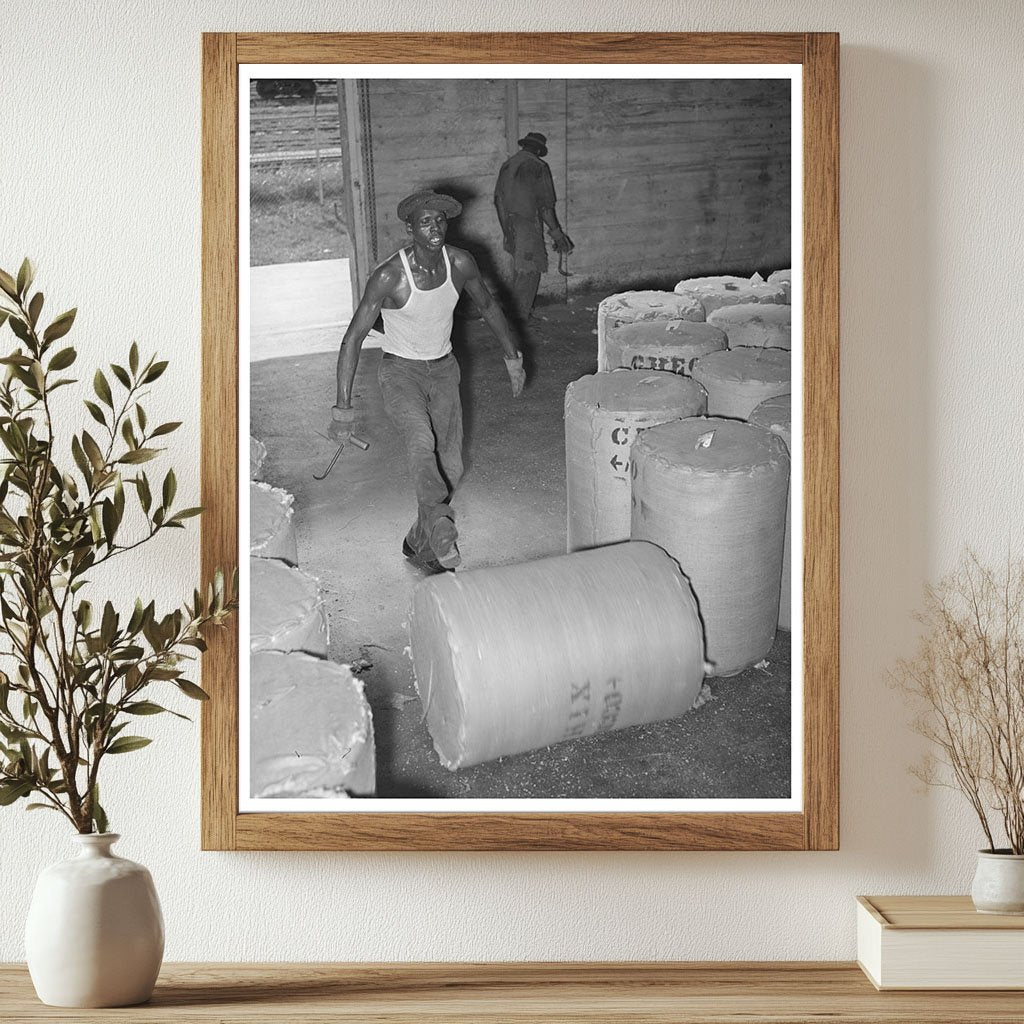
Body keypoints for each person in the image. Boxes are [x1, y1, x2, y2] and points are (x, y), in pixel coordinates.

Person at [330, 189, 526, 574]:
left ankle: (417, 540)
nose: (434, 229)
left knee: (452, 467)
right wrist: (342, 408)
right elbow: (353, 338)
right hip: (400, 372)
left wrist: (512, 358)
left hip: (444, 369)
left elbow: (488, 306)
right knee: (422, 443)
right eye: (425, 223)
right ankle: (440, 527)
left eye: (439, 221)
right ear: (410, 229)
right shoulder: (389, 275)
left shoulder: (460, 263)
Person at [493, 131, 575, 329]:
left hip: (509, 223)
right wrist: (557, 234)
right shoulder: (538, 166)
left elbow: (498, 200)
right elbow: (545, 207)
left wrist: (506, 231)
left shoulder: (508, 165)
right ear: (538, 150)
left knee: (520, 270)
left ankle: (513, 315)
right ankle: (518, 320)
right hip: (527, 224)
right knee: (529, 271)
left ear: (524, 146)